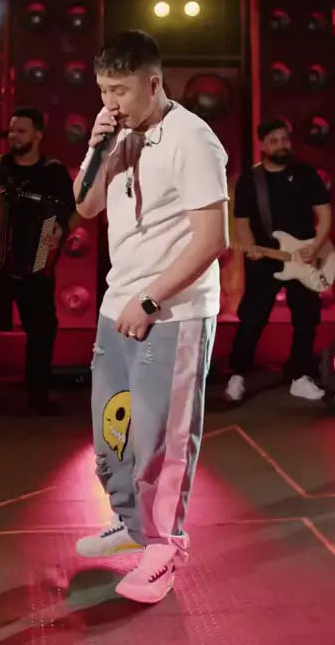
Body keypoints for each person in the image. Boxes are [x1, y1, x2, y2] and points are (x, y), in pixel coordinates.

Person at [73, 30, 229, 605]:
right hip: (117, 305)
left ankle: (164, 548)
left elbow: (213, 239)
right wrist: (97, 149)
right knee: (112, 432)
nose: (110, 102)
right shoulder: (117, 136)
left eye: (120, 90)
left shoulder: (193, 139)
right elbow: (85, 206)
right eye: (103, 90)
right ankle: (130, 523)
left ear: (153, 82)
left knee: (162, 438)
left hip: (171, 314)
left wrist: (151, 299)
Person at [0, 105, 77, 415]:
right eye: (12, 130)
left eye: (21, 131)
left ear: (38, 135)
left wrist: (60, 231)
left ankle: (37, 394)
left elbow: (74, 209)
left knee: (42, 328)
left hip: (36, 262)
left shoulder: (52, 172)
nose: (14, 136)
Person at [226, 118, 331, 402]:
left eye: (284, 139)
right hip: (266, 258)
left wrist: (316, 246)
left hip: (306, 257)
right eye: (274, 141)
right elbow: (242, 224)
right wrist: (250, 247)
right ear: (262, 145)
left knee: (306, 317)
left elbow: (324, 214)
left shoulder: (306, 174)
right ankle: (238, 375)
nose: (281, 145)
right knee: (253, 317)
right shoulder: (251, 181)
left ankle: (300, 376)